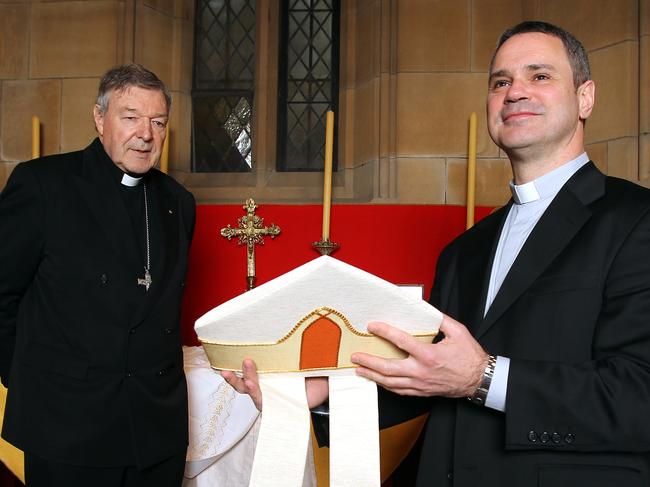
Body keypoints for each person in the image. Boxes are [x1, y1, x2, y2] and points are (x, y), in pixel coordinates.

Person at [225, 21, 650, 486]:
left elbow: (639, 395)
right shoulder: (464, 252)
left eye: (540, 76)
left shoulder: (635, 220)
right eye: (501, 82)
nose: (514, 93)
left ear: (585, 97)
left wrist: (483, 377)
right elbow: (430, 379)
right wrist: (324, 395)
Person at [0, 64, 196, 486]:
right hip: (67, 426)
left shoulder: (178, 202)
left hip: (155, 430)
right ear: (99, 118)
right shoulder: (42, 185)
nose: (145, 133)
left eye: (157, 121)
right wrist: (30, 382)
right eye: (130, 117)